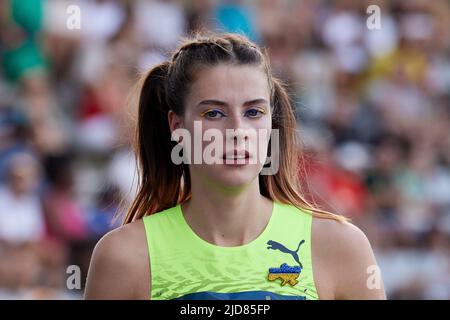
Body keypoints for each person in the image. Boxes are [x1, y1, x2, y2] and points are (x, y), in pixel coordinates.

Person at [84, 33, 386, 300]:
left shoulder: (340, 247)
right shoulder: (124, 258)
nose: (237, 130)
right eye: (214, 113)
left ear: (271, 122)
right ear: (177, 125)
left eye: (253, 112)